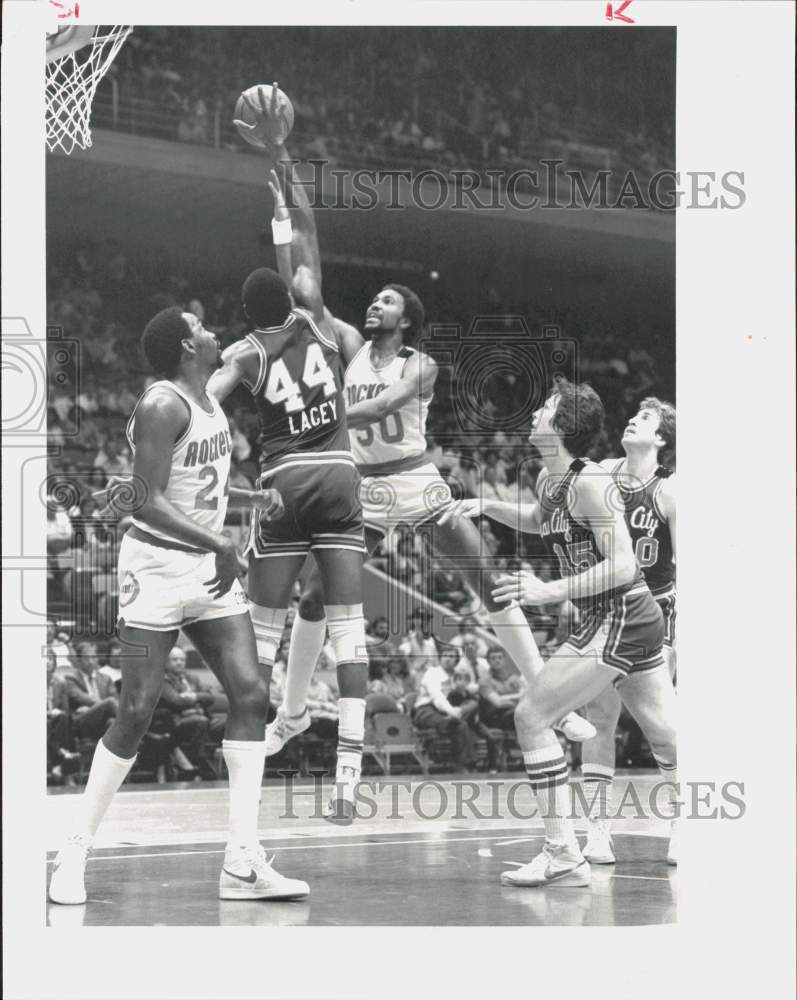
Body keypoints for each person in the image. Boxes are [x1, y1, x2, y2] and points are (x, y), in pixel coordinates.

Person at [248, 100, 592, 781]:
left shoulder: (420, 365)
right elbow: (304, 269)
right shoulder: (343, 342)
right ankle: (288, 714)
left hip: (414, 478)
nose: (373, 304)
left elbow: (391, 400)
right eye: (372, 299)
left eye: (386, 300)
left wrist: (345, 409)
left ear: (407, 319)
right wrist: (282, 165)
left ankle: (544, 698)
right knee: (315, 598)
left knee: (485, 579)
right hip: (361, 489)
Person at [49, 306, 308, 906]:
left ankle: (241, 861)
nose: (213, 329)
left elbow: (200, 475)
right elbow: (143, 501)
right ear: (189, 345)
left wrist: (248, 497)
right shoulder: (163, 405)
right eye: (203, 325)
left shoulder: (210, 396)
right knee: (136, 708)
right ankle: (74, 848)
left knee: (249, 694)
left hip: (206, 571)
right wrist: (220, 539)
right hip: (156, 569)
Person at [442, 381, 677, 887]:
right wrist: (484, 505)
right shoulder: (553, 481)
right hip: (620, 618)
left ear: (564, 426)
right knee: (664, 731)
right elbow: (536, 519)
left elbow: (622, 564)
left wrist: (547, 592)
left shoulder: (590, 481)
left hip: (620, 613)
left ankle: (561, 850)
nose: (535, 413)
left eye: (546, 407)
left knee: (531, 715)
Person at [208, 109, 368, 825]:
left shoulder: (242, 353)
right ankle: (346, 780)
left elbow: (205, 394)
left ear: (244, 315)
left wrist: (207, 428)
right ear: (293, 295)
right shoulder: (318, 321)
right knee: (349, 628)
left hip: (283, 483)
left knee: (261, 631)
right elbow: (302, 238)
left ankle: (249, 750)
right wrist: (283, 165)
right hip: (338, 473)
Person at [580, 398, 677, 864]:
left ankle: (683, 819)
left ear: (661, 439)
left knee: (661, 729)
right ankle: (598, 830)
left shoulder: (670, 492)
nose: (632, 419)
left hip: (655, 610)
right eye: (632, 413)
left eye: (646, 419)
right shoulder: (600, 474)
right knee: (600, 719)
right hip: (607, 608)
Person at [64, 640, 119, 741]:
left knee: (111, 722)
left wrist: (104, 708)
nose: (90, 661)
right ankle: (143, 733)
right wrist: (104, 706)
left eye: (93, 657)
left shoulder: (106, 679)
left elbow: (117, 701)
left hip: (103, 720)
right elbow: (84, 699)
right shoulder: (71, 678)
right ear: (79, 660)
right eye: (86, 658)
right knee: (110, 702)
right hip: (83, 722)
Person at [478, 646, 523, 731]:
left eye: (500, 657)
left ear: (504, 660)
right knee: (521, 713)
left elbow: (525, 695)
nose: (497, 660)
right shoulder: (484, 681)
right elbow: (498, 703)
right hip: (496, 718)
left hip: (514, 712)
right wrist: (519, 702)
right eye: (493, 658)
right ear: (488, 661)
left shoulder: (514, 677)